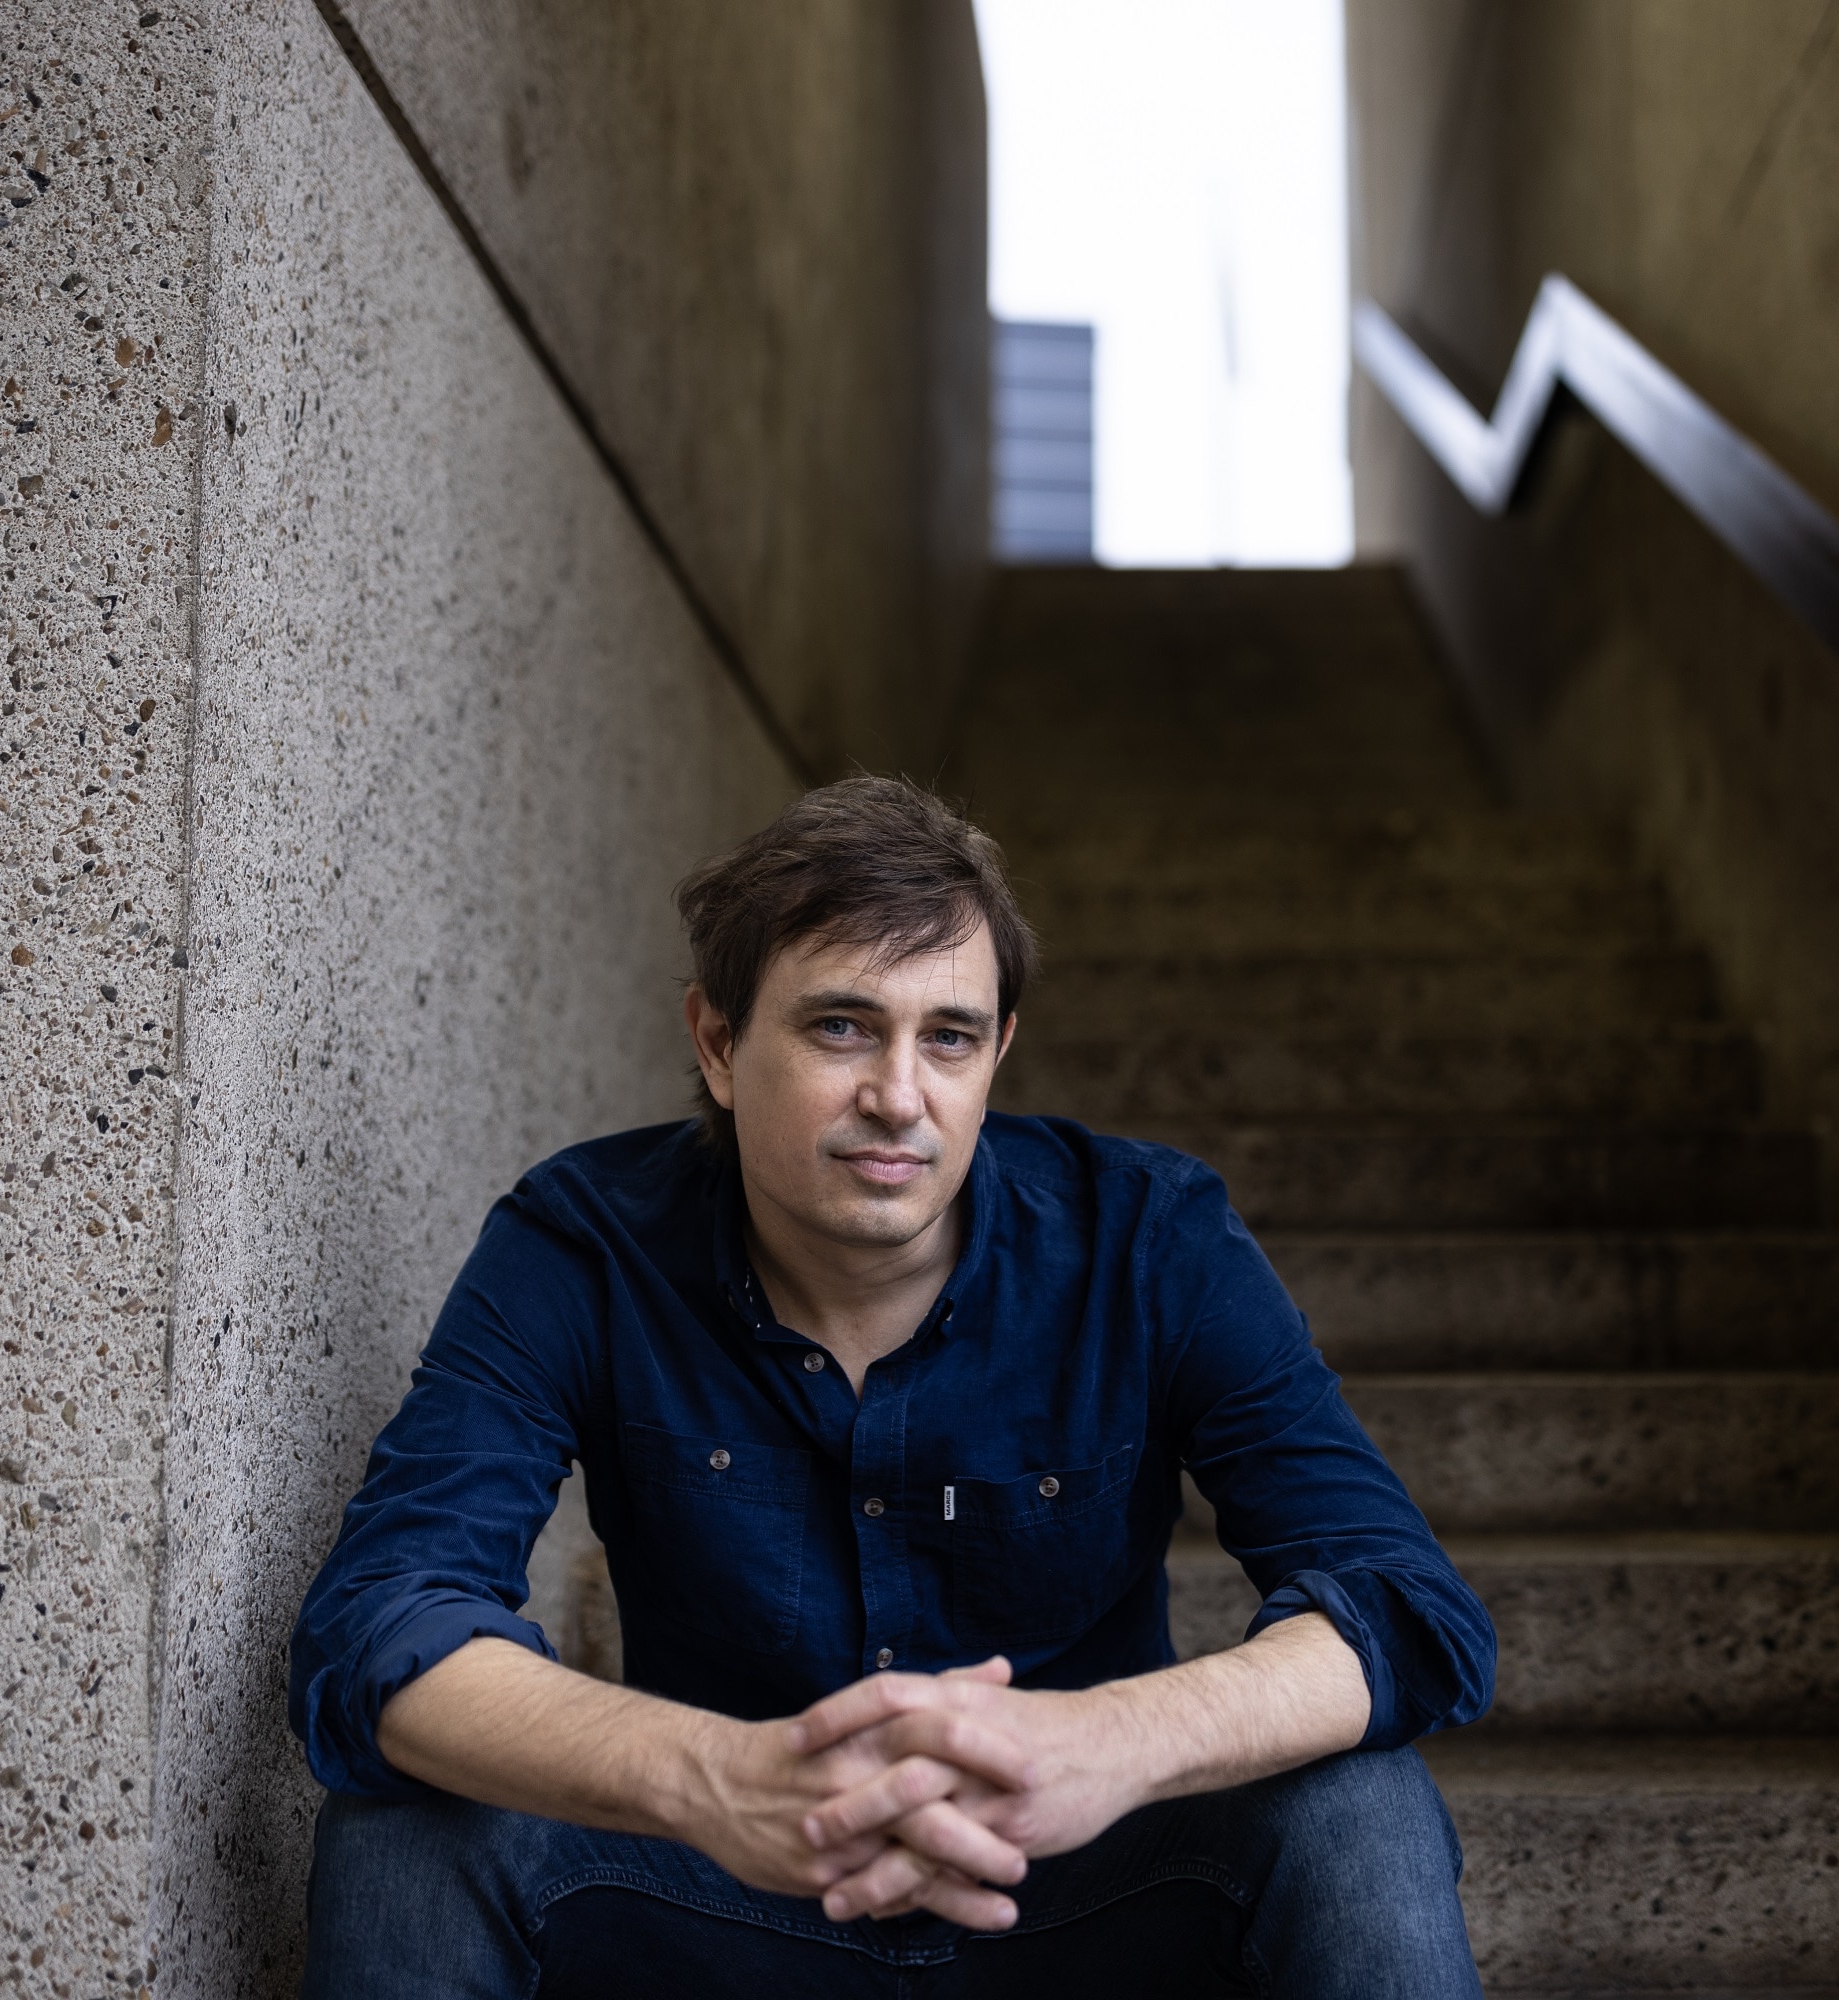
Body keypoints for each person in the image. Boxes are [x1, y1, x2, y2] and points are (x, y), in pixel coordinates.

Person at [286, 775, 1496, 1996]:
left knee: (1358, 1798)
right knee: (407, 1821)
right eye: (842, 1027)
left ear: (996, 1052)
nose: (900, 1096)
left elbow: (1404, 1607)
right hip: (722, 1900)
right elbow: (383, 1622)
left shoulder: (1150, 1238)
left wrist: (1105, 1741)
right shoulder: (585, 1242)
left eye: (949, 1037)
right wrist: (719, 1776)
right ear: (717, 1039)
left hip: (1081, 1900)